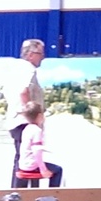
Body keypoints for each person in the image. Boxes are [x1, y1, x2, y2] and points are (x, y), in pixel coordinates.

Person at [7, 38, 46, 188]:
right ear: (30, 55)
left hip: (16, 121)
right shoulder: (27, 69)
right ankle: (22, 194)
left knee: (22, 158)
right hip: (25, 121)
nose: (43, 57)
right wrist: (32, 116)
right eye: (40, 53)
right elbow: (23, 92)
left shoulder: (14, 70)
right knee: (27, 160)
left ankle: (18, 193)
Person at [16, 103, 62, 188]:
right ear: (40, 116)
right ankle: (52, 193)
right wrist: (43, 169)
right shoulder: (37, 130)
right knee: (58, 170)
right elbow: (37, 151)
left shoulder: (26, 129)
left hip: (23, 164)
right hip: (32, 166)